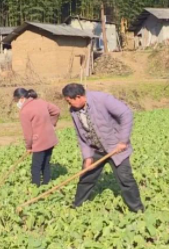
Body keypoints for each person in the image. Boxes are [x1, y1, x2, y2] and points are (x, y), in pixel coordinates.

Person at [62, 83, 145, 213]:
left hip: (116, 148)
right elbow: (81, 135)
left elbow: (126, 114)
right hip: (95, 149)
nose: (69, 104)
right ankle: (77, 207)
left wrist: (123, 140)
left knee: (126, 180)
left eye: (69, 101)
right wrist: (87, 156)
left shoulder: (102, 99)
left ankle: (137, 210)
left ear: (78, 97)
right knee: (86, 178)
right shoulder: (74, 111)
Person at [13, 88, 61, 186]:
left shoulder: (24, 111)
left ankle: (36, 188)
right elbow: (56, 111)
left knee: (36, 167)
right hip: (50, 138)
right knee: (46, 163)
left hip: (39, 141)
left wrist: (29, 147)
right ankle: (46, 184)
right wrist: (52, 124)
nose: (17, 103)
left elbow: (28, 134)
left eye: (16, 100)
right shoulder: (40, 102)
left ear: (22, 98)